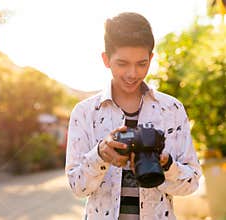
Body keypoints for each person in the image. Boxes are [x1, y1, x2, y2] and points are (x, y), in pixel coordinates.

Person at [65, 12, 202, 220]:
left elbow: (191, 184)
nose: (132, 74)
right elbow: (77, 187)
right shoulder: (85, 113)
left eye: (141, 63)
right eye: (122, 63)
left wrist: (166, 165)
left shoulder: (171, 109)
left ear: (151, 58)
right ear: (106, 59)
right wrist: (100, 154)